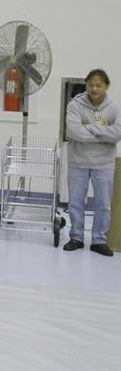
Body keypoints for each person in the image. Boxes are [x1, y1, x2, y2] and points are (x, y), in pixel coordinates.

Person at [64, 68, 120, 256]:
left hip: (104, 163)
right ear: (86, 85)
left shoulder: (115, 108)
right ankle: (76, 237)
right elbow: (73, 132)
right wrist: (104, 134)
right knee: (75, 202)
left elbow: (118, 134)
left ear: (107, 86)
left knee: (103, 204)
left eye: (99, 85)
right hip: (77, 161)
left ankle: (99, 240)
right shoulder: (74, 105)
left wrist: (90, 128)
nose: (95, 89)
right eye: (91, 85)